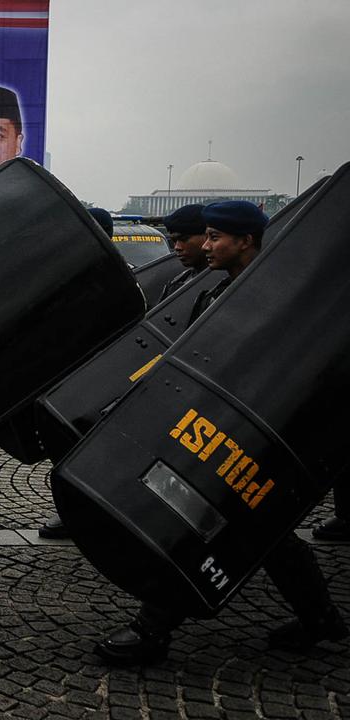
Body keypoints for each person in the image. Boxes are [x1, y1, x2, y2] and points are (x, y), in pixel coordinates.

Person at [96, 200, 346, 664]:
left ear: (245, 241)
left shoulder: (278, 297)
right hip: (217, 427)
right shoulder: (217, 292)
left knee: (211, 525)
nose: (206, 246)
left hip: (259, 433)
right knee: (267, 535)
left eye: (216, 237)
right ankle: (321, 618)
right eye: (206, 236)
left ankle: (153, 629)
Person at [37, 208, 115, 540]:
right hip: (66, 381)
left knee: (96, 455)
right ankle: (73, 514)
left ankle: (95, 516)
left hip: (100, 384)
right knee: (65, 452)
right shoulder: (66, 274)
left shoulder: (115, 278)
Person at [158, 203, 210, 301]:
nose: (177, 247)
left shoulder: (227, 284)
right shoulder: (178, 282)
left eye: (184, 239)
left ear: (207, 237)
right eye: (174, 241)